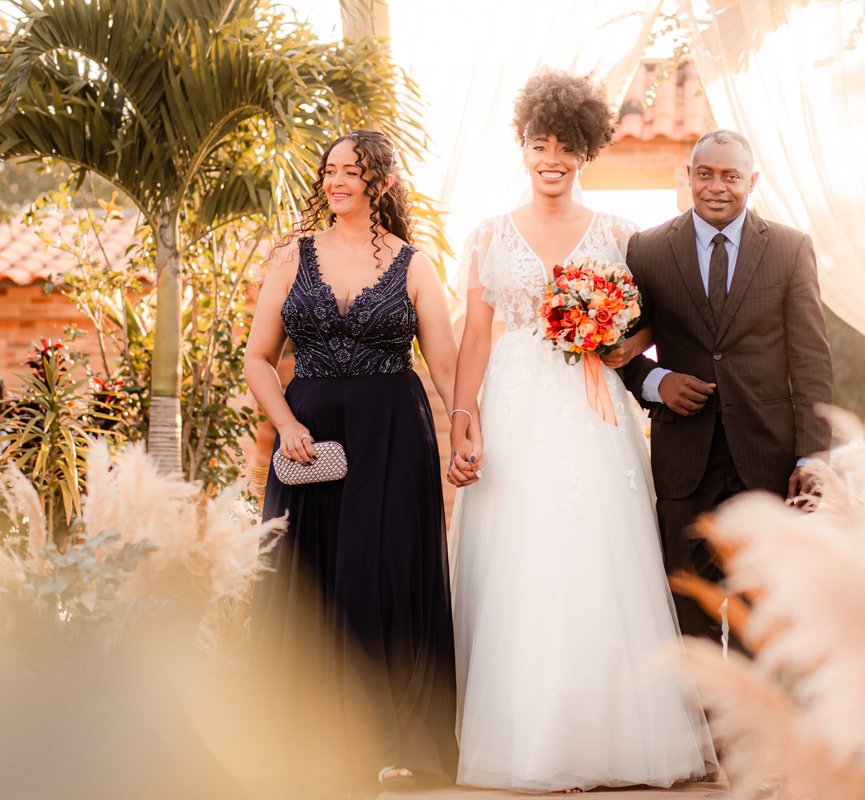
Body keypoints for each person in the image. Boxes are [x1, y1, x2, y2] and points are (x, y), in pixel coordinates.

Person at [448, 68, 717, 793]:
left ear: (587, 151)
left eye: (567, 146)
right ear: (524, 145)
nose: (552, 157)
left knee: (599, 555)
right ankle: (529, 735)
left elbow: (651, 321)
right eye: (541, 143)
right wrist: (462, 425)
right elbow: (474, 340)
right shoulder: (487, 236)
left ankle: (612, 737)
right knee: (520, 560)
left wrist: (620, 344)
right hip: (511, 409)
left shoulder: (619, 236)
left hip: (592, 407)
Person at [244, 130, 460, 789]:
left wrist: (469, 430)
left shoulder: (415, 264)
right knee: (310, 582)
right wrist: (284, 425)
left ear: (382, 182)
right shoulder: (293, 257)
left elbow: (446, 368)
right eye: (330, 170)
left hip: (395, 436)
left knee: (389, 576)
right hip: (310, 436)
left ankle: (401, 744)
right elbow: (257, 357)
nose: (337, 181)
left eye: (352, 171)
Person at [603, 129, 834, 645]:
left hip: (768, 466)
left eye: (730, 176)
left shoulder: (791, 249)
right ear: (688, 177)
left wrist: (810, 457)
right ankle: (702, 729)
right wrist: (657, 381)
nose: (716, 187)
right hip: (684, 468)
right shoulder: (648, 249)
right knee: (689, 622)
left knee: (766, 622)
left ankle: (756, 726)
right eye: (704, 174)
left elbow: (812, 360)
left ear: (751, 181)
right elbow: (613, 347)